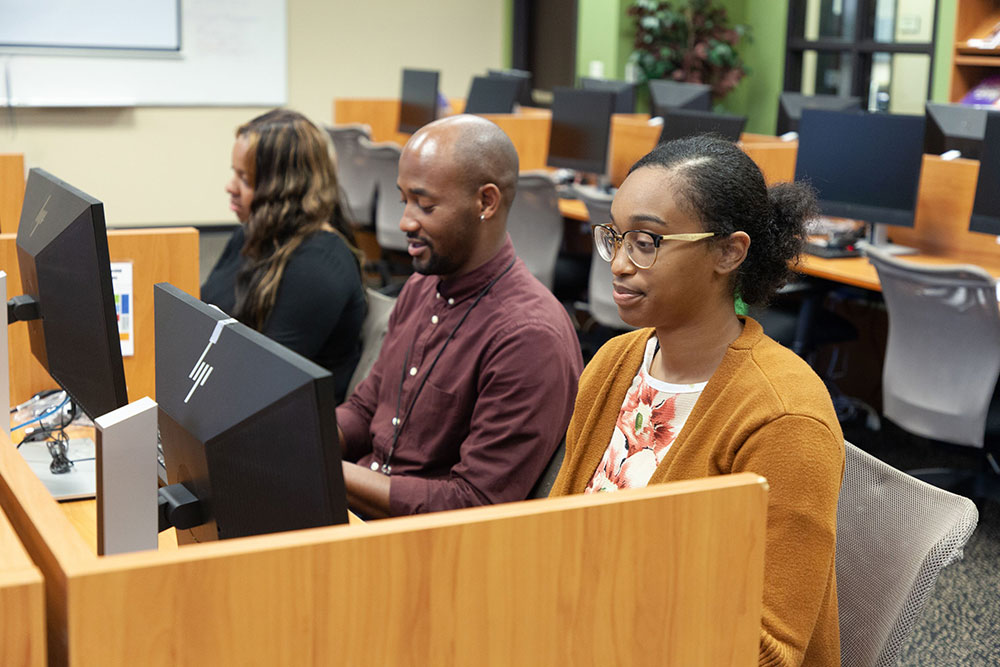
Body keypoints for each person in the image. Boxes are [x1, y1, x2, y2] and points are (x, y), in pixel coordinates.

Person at [550, 135, 844, 666]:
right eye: (616, 237)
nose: (618, 263)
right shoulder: (615, 362)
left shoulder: (784, 417)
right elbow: (558, 533)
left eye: (647, 241)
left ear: (729, 251)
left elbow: (767, 650)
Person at [336, 114, 583, 518]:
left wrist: (327, 471)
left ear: (486, 202)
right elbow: (366, 409)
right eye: (404, 201)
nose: (405, 222)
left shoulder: (529, 338)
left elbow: (474, 503)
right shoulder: (422, 285)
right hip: (359, 507)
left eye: (425, 205)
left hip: (427, 546)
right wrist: (303, 436)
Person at [202, 109, 366, 403]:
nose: (230, 187)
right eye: (234, 173)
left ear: (285, 187)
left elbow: (264, 384)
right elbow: (205, 315)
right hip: (227, 397)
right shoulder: (251, 235)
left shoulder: (319, 265)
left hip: (281, 425)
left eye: (246, 179)